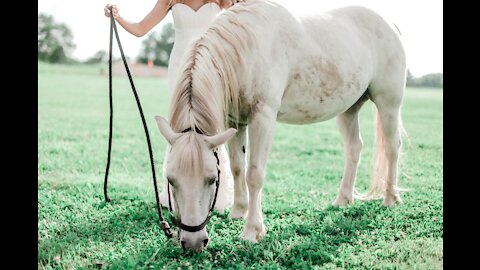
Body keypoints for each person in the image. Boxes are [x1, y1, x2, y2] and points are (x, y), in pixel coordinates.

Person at [104, 0, 244, 213]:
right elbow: (141, 29)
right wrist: (117, 16)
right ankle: (176, 189)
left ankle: (218, 191)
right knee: (180, 125)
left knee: (210, 123)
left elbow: (242, 19)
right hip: (180, 65)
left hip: (211, 67)